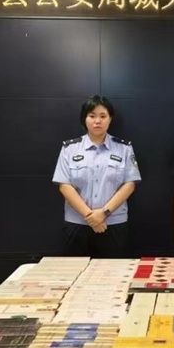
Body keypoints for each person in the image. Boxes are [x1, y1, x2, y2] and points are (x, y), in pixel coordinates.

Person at [52, 95, 141, 258]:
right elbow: (64, 185)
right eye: (92, 116)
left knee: (114, 272)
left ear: (110, 119)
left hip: (113, 224)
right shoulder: (69, 149)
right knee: (76, 271)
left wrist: (103, 214)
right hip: (77, 224)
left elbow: (130, 184)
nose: (97, 121)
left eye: (103, 116)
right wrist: (90, 216)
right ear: (84, 119)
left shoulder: (124, 148)